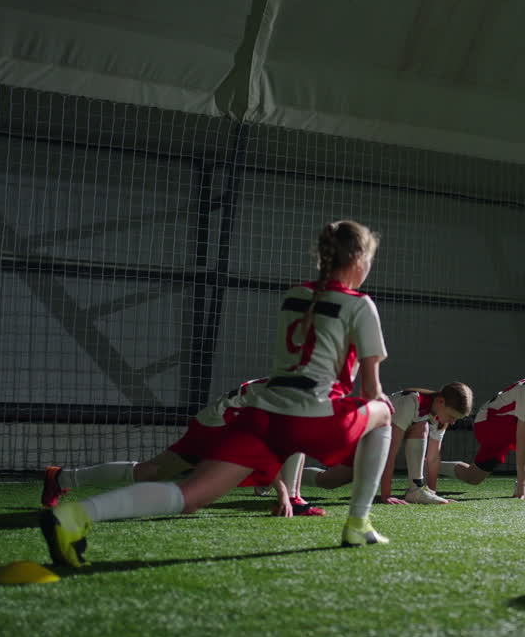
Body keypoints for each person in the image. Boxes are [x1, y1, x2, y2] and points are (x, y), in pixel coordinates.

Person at [40, 220, 393, 567]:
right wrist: (372, 407)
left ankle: (76, 515)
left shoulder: (294, 295)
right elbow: (370, 388)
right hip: (314, 417)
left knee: (190, 494)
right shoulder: (360, 304)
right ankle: (358, 524)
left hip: (264, 415)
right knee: (385, 411)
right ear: (359, 259)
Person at [39, 378, 323, 516]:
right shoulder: (291, 397)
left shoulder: (294, 386)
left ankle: (62, 477)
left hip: (212, 422)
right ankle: (292, 500)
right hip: (218, 428)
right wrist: (283, 492)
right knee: (188, 491)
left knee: (150, 471)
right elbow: (259, 443)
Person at [301, 383, 473, 504]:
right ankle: (288, 477)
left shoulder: (439, 418)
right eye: (452, 417)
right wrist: (386, 495)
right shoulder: (411, 402)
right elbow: (389, 451)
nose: (452, 423)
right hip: (363, 435)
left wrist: (433, 494)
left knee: (421, 426)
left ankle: (416, 490)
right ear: (441, 402)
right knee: (329, 481)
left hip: (378, 443)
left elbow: (433, 458)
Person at [430, 367, 525, 499]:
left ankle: (430, 467)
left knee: (473, 477)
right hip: (489, 424)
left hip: (510, 428)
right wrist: (522, 485)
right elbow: (521, 439)